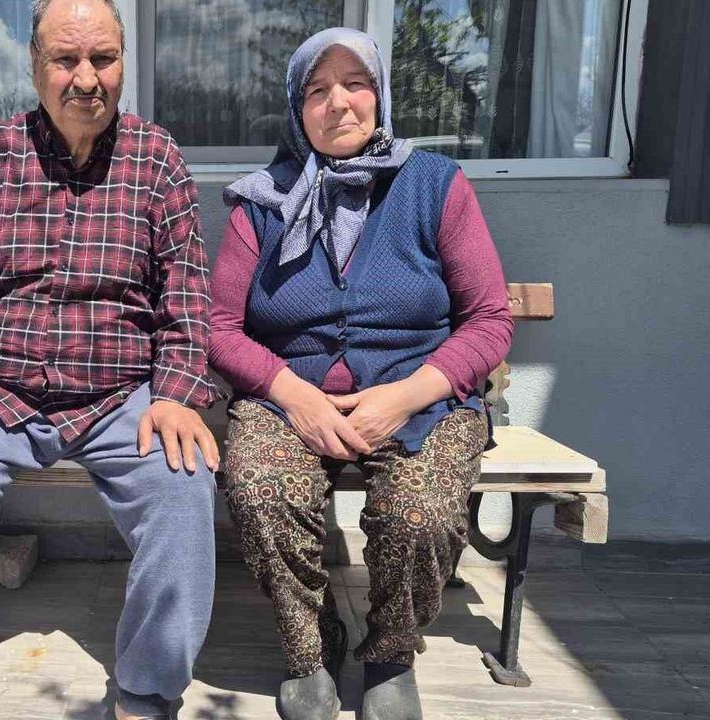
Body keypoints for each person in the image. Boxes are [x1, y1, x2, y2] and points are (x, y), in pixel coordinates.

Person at [0, 1, 219, 718]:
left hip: (119, 400)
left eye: (103, 58)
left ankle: (146, 694)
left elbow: (186, 290)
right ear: (35, 66)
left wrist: (175, 394)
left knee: (183, 487)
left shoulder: (157, 160)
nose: (86, 78)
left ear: (123, 63)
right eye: (65, 60)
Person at [209, 27, 514, 720]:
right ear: (297, 108)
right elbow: (219, 328)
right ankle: (310, 647)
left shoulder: (434, 185)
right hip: (289, 397)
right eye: (317, 90)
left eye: (355, 84)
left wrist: (404, 397)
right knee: (258, 489)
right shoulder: (262, 201)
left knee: (419, 512)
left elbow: (490, 320)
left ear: (380, 96)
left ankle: (391, 652)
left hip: (421, 396)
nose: (338, 103)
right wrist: (296, 397)